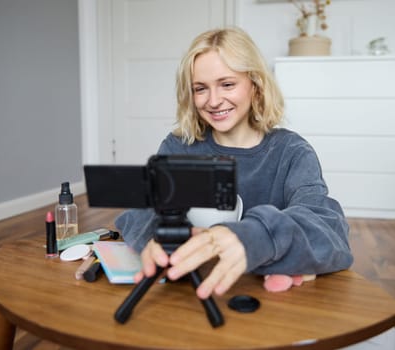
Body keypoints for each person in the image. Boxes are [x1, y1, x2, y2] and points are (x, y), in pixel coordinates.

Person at [115, 27, 353, 300]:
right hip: (191, 293)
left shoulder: (292, 152)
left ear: (256, 84)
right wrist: (156, 239)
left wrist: (253, 238)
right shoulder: (178, 147)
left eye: (227, 84)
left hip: (264, 298)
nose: (214, 101)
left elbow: (328, 226)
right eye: (200, 89)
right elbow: (141, 210)